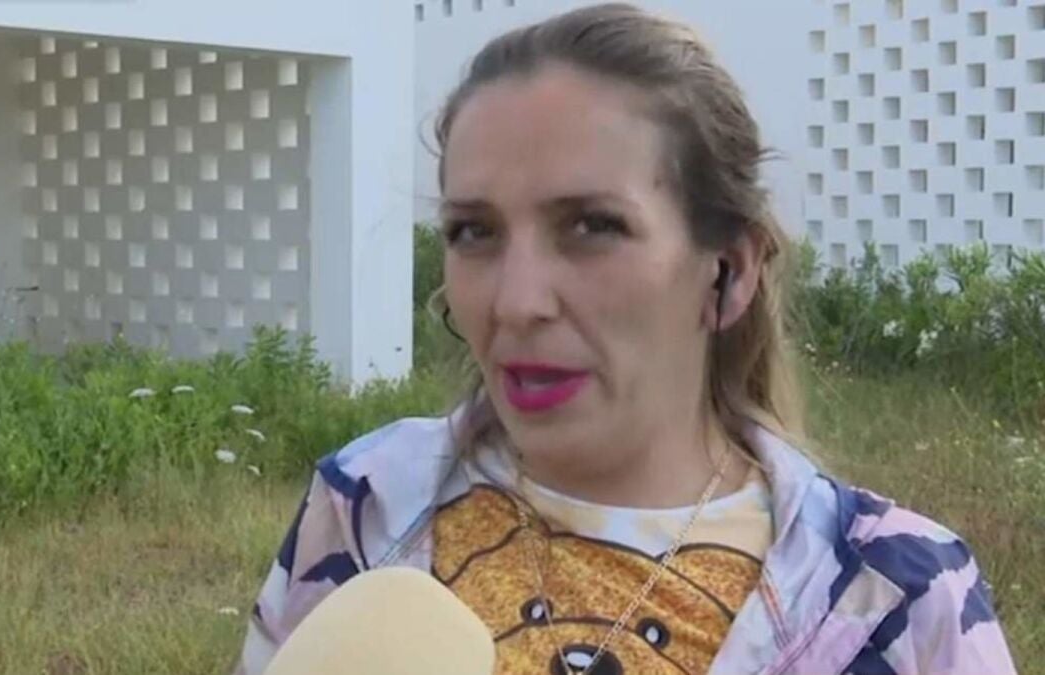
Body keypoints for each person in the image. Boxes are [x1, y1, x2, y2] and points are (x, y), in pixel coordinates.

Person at [236, 4, 1016, 674]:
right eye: (474, 231)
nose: (517, 302)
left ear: (729, 271)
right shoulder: (366, 505)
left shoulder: (902, 600)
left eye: (592, 226)